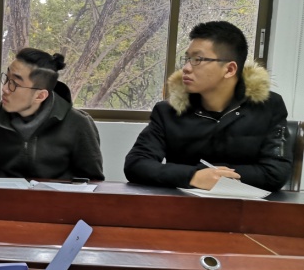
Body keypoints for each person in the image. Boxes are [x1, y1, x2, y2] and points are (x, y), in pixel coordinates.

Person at [124, 21, 292, 192]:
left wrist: (216, 177)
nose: (186, 68)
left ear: (229, 69)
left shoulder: (267, 106)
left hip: (247, 205)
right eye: (187, 59)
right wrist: (194, 177)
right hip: (183, 205)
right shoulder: (169, 111)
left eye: (197, 60)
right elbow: (136, 164)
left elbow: (276, 172)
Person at [0, 48, 104, 181]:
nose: (5, 89)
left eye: (15, 84)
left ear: (40, 96)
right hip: (4, 197)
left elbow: (91, 180)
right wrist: (2, 184)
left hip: (56, 199)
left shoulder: (78, 124)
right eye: (6, 79)